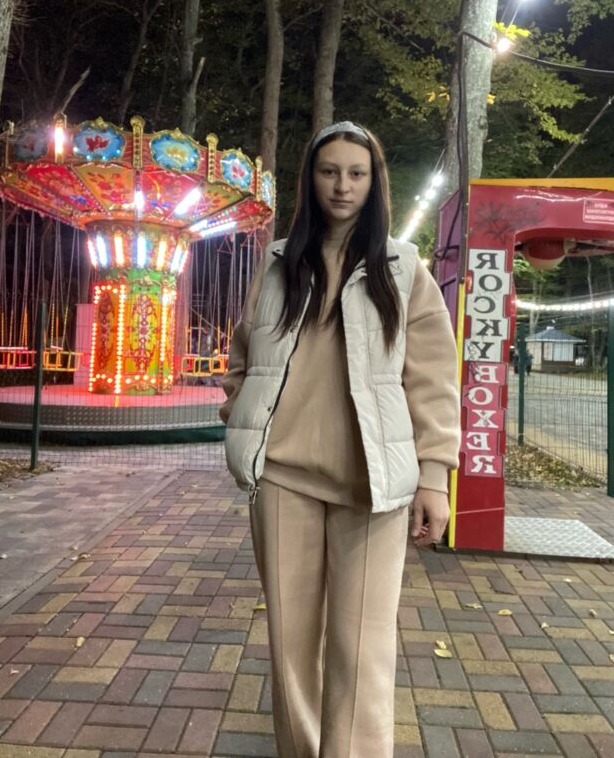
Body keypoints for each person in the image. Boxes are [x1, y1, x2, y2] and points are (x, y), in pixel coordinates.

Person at [219, 121, 460, 758]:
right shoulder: (279, 264)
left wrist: (435, 476)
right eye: (330, 171)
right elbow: (242, 358)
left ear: (376, 183)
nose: (343, 185)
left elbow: (434, 380)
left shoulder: (402, 269)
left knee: (363, 647)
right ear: (311, 179)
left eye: (357, 173)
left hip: (372, 488)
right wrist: (241, 418)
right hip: (283, 479)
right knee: (290, 645)